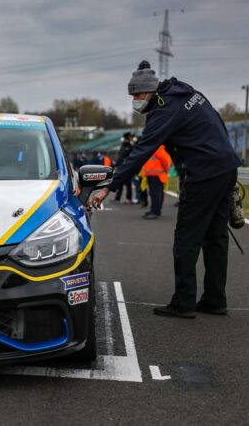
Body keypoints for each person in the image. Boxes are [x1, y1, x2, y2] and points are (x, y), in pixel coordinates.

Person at [89, 60, 241, 318]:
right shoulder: (186, 91)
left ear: (149, 91)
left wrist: (109, 187)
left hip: (203, 175)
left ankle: (183, 302)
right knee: (216, 238)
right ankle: (215, 299)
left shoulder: (163, 109)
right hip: (226, 167)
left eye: (138, 95)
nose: (135, 100)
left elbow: (142, 151)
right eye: (132, 95)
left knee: (187, 239)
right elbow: (217, 118)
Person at [140, 144, 172, 219]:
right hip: (152, 174)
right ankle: (154, 210)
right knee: (154, 194)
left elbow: (165, 161)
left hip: (157, 175)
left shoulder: (158, 148)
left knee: (156, 194)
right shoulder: (154, 148)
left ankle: (155, 212)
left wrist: (165, 169)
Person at [113, 132, 135, 203]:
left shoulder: (131, 147)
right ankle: (117, 198)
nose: (131, 138)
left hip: (127, 167)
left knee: (128, 184)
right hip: (120, 167)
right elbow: (120, 157)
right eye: (130, 137)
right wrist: (116, 166)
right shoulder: (123, 146)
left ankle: (129, 199)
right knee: (120, 184)